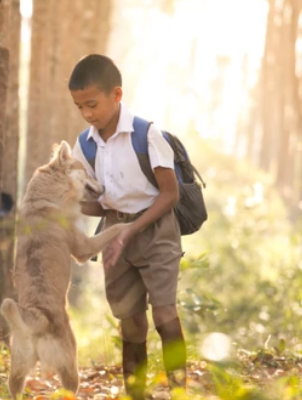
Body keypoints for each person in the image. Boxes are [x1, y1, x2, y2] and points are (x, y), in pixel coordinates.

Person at [69, 54, 187, 399]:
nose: (88, 114)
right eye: (79, 107)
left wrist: (131, 232)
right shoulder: (85, 145)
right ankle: (136, 393)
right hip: (113, 234)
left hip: (156, 231)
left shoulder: (146, 134)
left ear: (116, 94)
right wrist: (64, 206)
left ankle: (179, 391)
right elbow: (95, 203)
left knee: (165, 312)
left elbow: (170, 194)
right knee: (131, 322)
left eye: (92, 104)